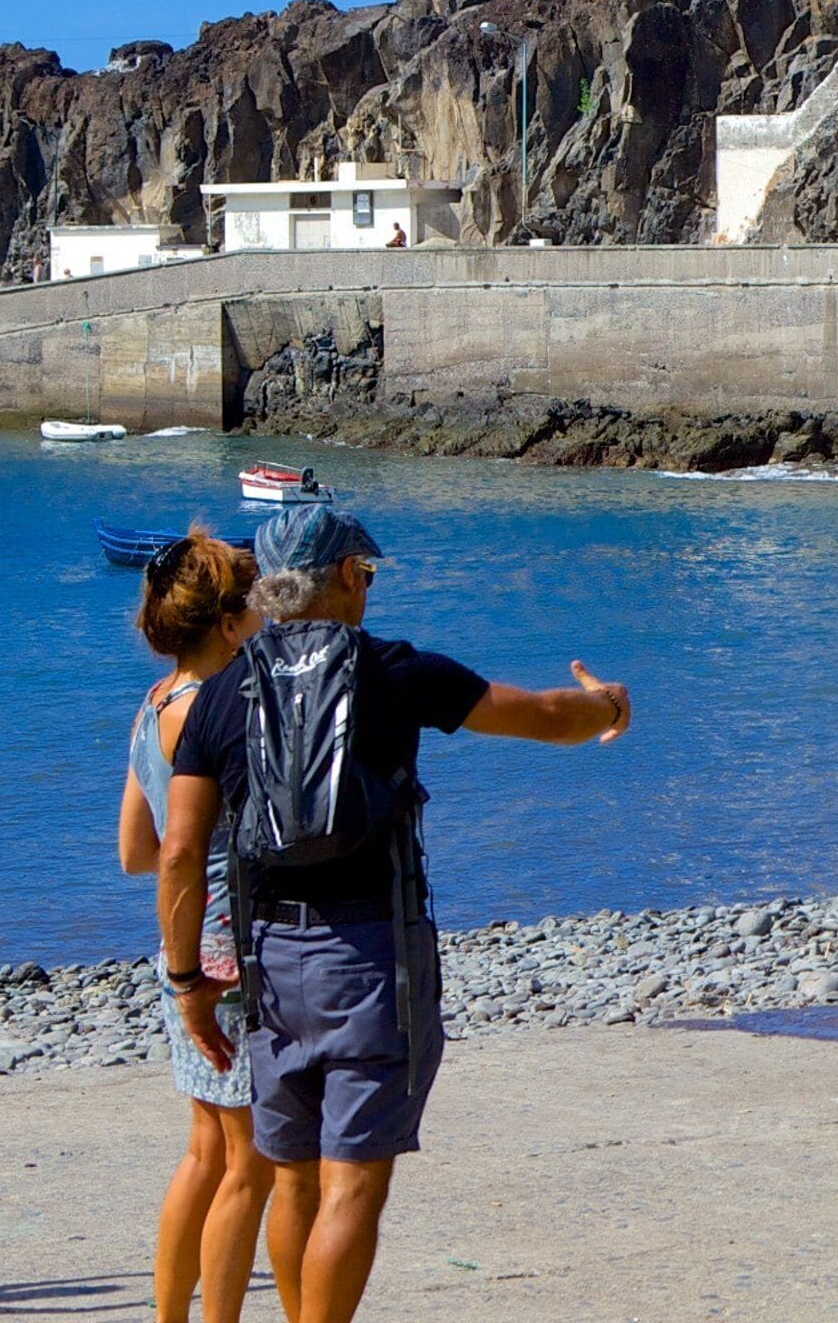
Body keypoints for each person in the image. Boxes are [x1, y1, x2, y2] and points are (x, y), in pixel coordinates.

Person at [151, 506, 633, 1323]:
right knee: (354, 1184)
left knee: (293, 1175)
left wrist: (187, 980)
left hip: (267, 960)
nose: (367, 590)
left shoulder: (217, 698)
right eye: (365, 575)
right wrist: (609, 706)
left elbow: (178, 855)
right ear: (344, 577)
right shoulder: (394, 671)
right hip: (371, 958)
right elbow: (546, 719)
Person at [116, 533, 271, 1323]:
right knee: (251, 1164)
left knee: (204, 1152)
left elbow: (135, 852)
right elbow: (173, 851)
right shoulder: (220, 711)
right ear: (227, 623)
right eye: (253, 604)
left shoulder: (154, 706)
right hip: (227, 954)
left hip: (179, 947)